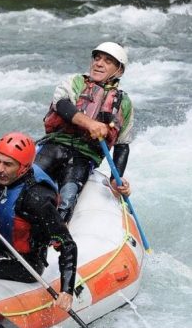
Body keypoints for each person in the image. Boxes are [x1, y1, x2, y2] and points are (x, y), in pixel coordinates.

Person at [0, 132, 78, 311]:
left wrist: (67, 290)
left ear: (24, 167)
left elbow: (67, 244)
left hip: (23, 262)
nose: (0, 169)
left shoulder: (37, 199)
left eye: (8, 164)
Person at [36, 41, 134, 222]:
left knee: (67, 200)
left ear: (119, 71)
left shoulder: (124, 104)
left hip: (84, 157)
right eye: (97, 59)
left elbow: (122, 145)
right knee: (29, 180)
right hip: (56, 144)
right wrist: (90, 124)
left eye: (107, 61)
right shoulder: (75, 82)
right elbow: (62, 104)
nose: (99, 63)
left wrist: (116, 179)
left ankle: (53, 235)